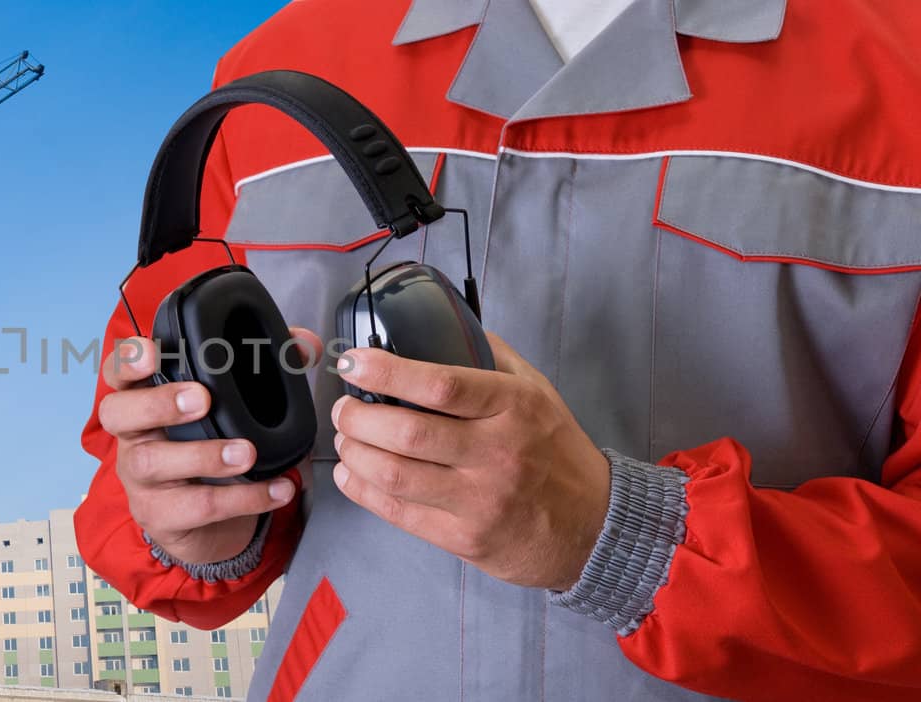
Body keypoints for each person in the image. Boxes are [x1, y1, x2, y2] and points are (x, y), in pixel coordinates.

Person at [74, 0, 921, 700]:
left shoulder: (900, 65)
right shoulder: (278, 70)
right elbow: (135, 464)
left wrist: (623, 538)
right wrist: (192, 520)